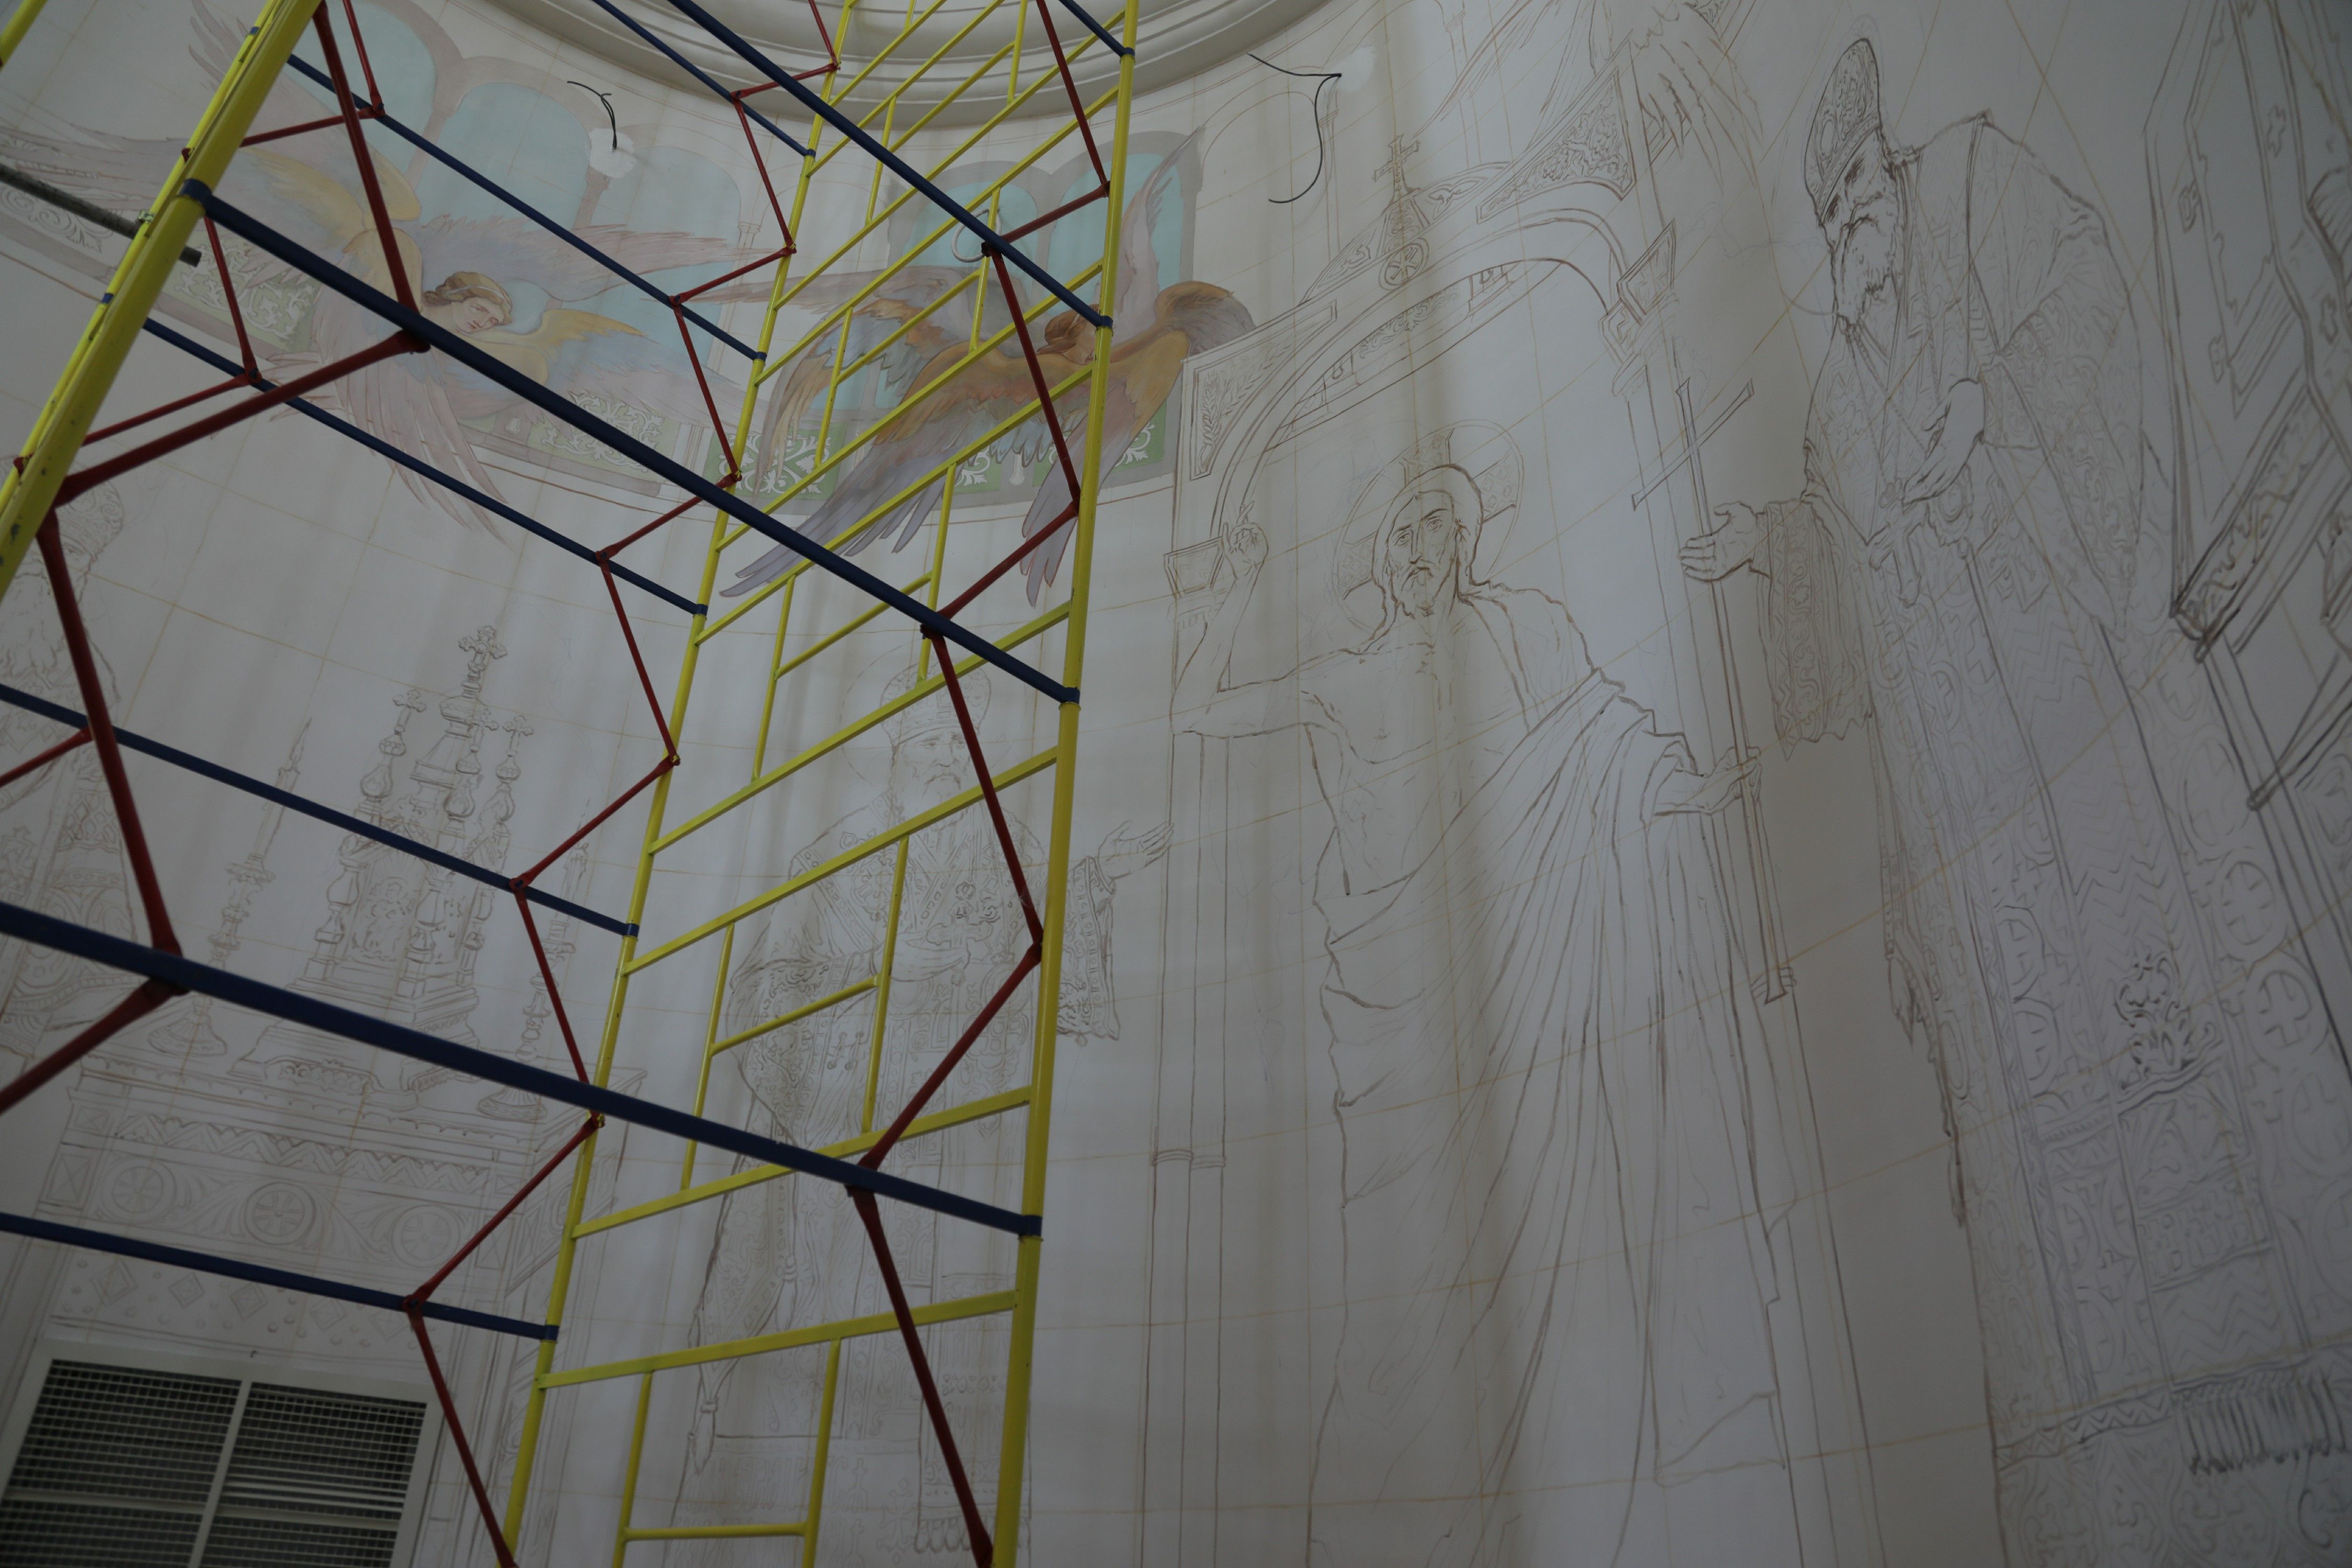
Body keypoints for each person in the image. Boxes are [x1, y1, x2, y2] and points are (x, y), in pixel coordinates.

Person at [1686, 37, 2352, 1558]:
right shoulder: (1839, 365)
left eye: (1860, 195)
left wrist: (1990, 399)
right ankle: (2115, 1438)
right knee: (2045, 1088)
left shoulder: (1984, 179)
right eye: (1831, 211)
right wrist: (1773, 548)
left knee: (2175, 994)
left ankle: (2289, 1378)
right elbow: (1837, 577)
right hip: (1974, 795)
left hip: (2082, 698)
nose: (1852, 231)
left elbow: (2091, 304)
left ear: (1888, 170)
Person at [1178, 457, 1797, 1564]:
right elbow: (1199, 710)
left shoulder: (1528, 628)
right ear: (1381, 562)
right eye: (1403, 537)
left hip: (1533, 991)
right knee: (1400, 1300)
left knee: (1560, 1246)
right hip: (1397, 1027)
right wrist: (1232, 593)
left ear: (1465, 542)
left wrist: (1690, 787)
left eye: (1440, 529)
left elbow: (1604, 745)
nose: (1424, 553)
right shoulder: (1343, 682)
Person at [668, 665, 1165, 1558]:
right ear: (894, 759)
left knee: (953, 1322)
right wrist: (880, 970)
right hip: (848, 1120)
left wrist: (1094, 880)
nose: (944, 760)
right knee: (834, 1305)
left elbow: (1046, 957)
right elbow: (764, 992)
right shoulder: (837, 856)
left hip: (960, 1124)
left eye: (953, 745)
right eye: (927, 744)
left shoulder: (1002, 846)